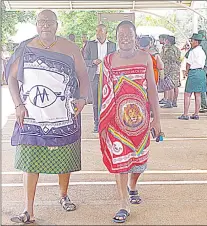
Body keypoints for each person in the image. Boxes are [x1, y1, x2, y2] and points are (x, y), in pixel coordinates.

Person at [5, 10, 89, 224]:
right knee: (29, 162)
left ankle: (63, 195)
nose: (46, 26)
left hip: (64, 114)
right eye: (42, 22)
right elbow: (12, 78)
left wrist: (82, 98)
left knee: (64, 159)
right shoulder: (25, 48)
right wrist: (18, 104)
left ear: (57, 25)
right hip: (32, 116)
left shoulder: (70, 48)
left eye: (50, 22)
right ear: (36, 24)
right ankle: (28, 210)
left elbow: (82, 76)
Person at [98, 20, 161, 223]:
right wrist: (105, 121)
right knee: (121, 162)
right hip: (117, 123)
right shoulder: (108, 61)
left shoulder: (145, 58)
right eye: (121, 34)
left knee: (138, 162)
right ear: (116, 38)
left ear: (135, 37)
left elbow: (152, 88)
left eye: (129, 34)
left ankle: (132, 186)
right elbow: (104, 93)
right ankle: (123, 203)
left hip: (140, 122)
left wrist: (156, 119)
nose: (125, 38)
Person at [84, 24, 116, 132]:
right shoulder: (90, 44)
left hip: (108, 77)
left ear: (106, 33)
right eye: (97, 31)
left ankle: (108, 122)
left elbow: (116, 60)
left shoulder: (112, 45)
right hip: (95, 76)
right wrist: (93, 62)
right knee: (96, 102)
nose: (98, 33)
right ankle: (97, 124)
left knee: (108, 100)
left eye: (101, 31)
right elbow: (84, 60)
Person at [178, 33, 206, 120]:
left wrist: (186, 72)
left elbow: (188, 63)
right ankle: (196, 113)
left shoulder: (193, 51)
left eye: (192, 40)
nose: (191, 42)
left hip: (193, 72)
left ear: (197, 42)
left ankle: (185, 114)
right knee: (198, 94)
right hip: (201, 72)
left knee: (187, 94)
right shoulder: (202, 52)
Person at [160, 35, 181, 108]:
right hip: (176, 68)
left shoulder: (170, 50)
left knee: (170, 86)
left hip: (170, 69)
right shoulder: (177, 49)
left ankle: (169, 102)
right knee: (175, 85)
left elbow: (169, 60)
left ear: (168, 41)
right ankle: (174, 101)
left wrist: (165, 71)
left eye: (165, 40)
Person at [158, 34, 169, 104]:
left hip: (165, 67)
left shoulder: (166, 48)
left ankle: (166, 98)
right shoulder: (163, 47)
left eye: (160, 39)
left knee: (165, 82)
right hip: (164, 67)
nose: (159, 40)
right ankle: (166, 97)